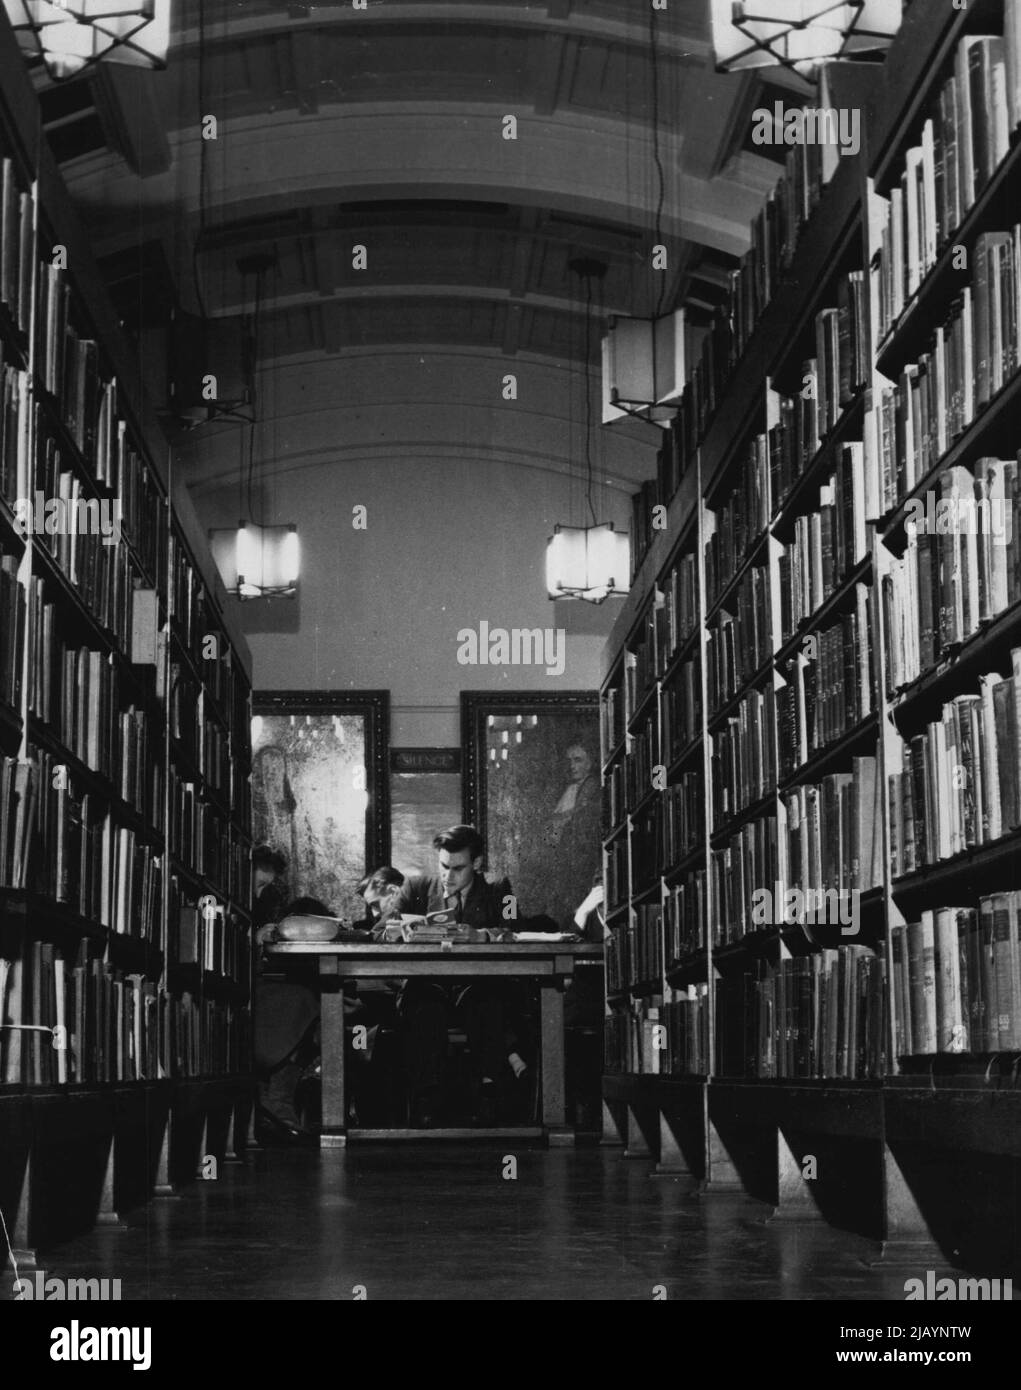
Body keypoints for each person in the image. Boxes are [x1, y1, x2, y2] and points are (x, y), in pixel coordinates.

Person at [394, 824, 530, 1125]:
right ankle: (425, 1104)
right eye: (443, 866)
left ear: (477, 864)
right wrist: (399, 932)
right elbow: (379, 931)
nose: (448, 876)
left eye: (458, 868)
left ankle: (489, 1095)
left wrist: (482, 935)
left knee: (488, 1005)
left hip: (475, 986)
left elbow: (518, 930)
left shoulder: (498, 891)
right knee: (425, 1010)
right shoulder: (415, 888)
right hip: (427, 985)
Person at [253, 888, 328, 1144]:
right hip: (265, 999)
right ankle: (276, 1103)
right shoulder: (265, 933)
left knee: (311, 1016)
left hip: (302, 1006)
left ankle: (277, 1103)